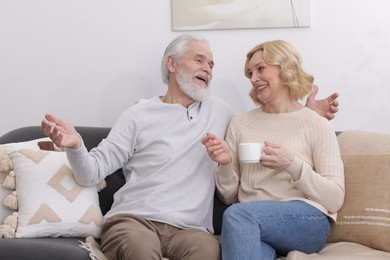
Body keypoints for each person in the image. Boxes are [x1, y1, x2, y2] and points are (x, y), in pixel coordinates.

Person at [41, 35, 339, 260]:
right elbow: (91, 173)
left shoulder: (222, 114)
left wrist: (306, 112)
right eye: (199, 60)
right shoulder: (139, 114)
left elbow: (276, 118)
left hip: (192, 232)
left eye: (211, 64)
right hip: (136, 220)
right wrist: (77, 145)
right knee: (140, 250)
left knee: (208, 252)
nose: (208, 69)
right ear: (172, 64)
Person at [202, 40, 345, 260]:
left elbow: (335, 199)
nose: (253, 78)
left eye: (261, 69)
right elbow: (229, 196)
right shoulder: (241, 123)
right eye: (251, 73)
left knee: (238, 216)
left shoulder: (316, 124)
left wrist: (292, 165)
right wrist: (225, 164)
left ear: (285, 68)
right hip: (251, 220)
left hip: (306, 220)